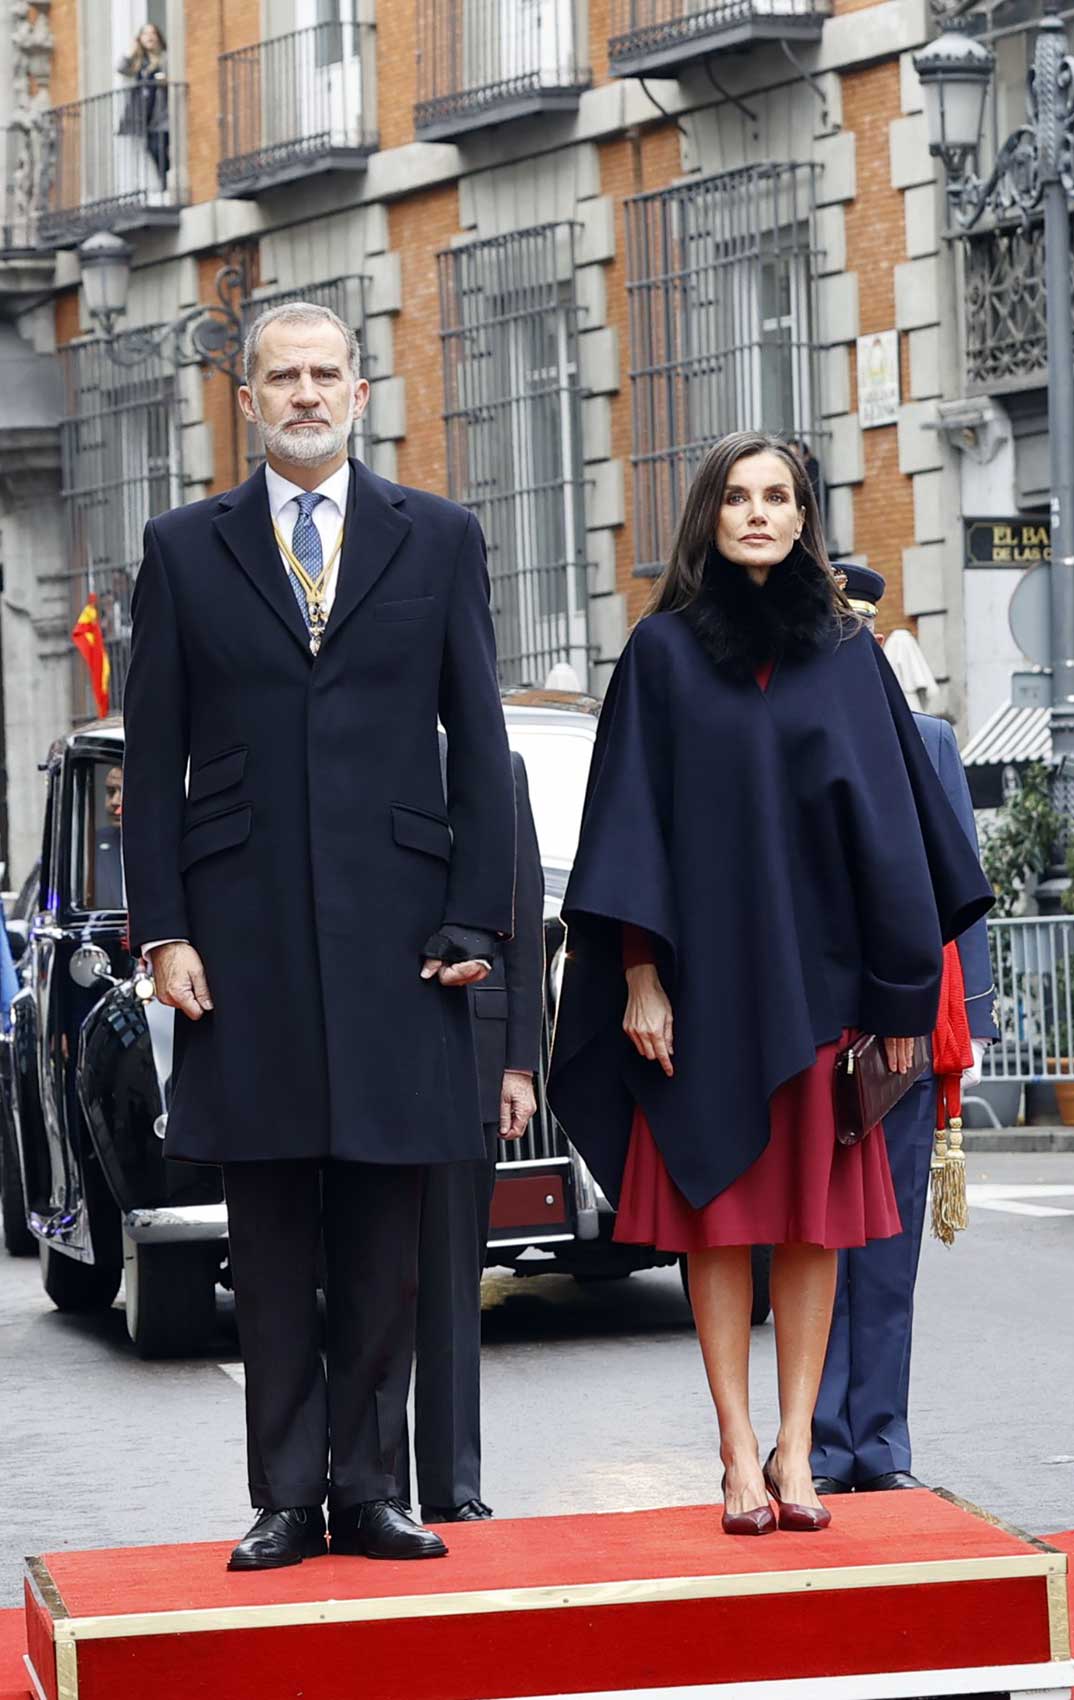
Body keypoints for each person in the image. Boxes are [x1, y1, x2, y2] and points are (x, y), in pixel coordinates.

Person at [122, 301, 516, 1571]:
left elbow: (483, 745)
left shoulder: (439, 540)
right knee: (275, 1221)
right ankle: (287, 1495)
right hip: (242, 943)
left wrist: (475, 915)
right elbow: (154, 749)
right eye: (280, 376)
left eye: (323, 374)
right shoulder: (184, 550)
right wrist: (164, 932)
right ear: (247, 400)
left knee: (386, 1235)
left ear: (362, 393)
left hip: (402, 933)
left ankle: (375, 1487)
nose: (302, 393)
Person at [548, 432, 993, 1536]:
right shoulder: (658, 654)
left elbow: (895, 834)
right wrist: (640, 979)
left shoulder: (846, 654)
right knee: (717, 1219)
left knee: (808, 1225)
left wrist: (895, 1004)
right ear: (711, 515)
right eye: (738, 496)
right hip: (697, 989)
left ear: (805, 518)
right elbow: (628, 822)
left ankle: (800, 1451)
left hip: (818, 987)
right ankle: (737, 1451)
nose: (757, 512)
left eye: (778, 496)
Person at [811, 565, 997, 1495]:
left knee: (886, 1257)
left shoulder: (929, 741)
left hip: (905, 1037)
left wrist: (982, 1014)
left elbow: (966, 895)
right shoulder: (791, 731)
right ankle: (814, 1440)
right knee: (812, 1248)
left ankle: (878, 1442)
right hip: (814, 1032)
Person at [405, 744, 544, 1525]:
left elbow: (521, 926)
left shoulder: (499, 766)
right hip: (373, 1053)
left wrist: (519, 1066)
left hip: (476, 1050)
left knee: (455, 1280)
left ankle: (454, 1487)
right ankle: (373, 1484)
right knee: (373, 1276)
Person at [117, 24, 170, 188]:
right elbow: (121, 68)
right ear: (139, 39)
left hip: (160, 112)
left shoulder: (164, 58)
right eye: (145, 33)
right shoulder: (139, 62)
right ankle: (164, 182)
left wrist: (165, 82)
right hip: (142, 113)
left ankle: (167, 183)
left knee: (158, 147)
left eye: (153, 33)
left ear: (158, 37)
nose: (150, 36)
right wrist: (131, 51)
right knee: (151, 148)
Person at [93, 765, 125, 912]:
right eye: (110, 792)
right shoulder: (88, 847)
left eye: (123, 791)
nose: (114, 801)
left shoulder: (170, 849)